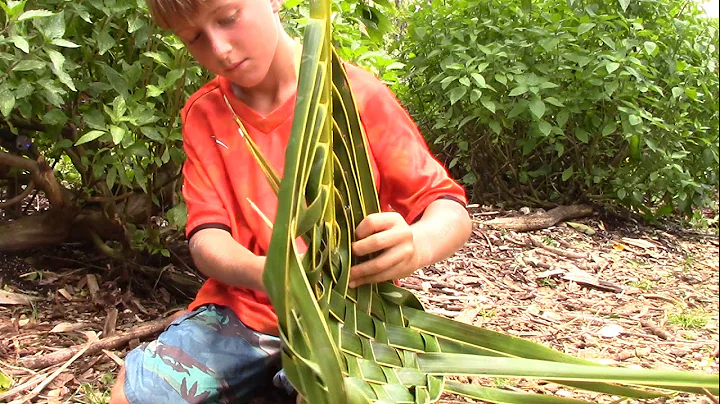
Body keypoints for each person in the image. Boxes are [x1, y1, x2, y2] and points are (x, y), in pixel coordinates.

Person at [109, 0, 472, 402]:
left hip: (347, 317)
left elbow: (447, 208)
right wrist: (268, 273)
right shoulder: (205, 113)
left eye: (229, 18)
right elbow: (206, 238)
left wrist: (416, 244)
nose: (221, 49)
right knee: (133, 395)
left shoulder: (353, 95)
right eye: (194, 38)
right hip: (242, 313)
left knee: (336, 395)